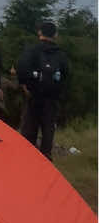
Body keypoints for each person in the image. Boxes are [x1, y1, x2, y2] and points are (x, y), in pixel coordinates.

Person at [17, 21, 69, 162]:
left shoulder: (31, 51)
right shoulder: (61, 55)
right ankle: (46, 162)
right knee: (48, 132)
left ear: (39, 33)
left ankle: (26, 162)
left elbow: (21, 70)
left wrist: (25, 87)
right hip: (51, 100)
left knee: (28, 132)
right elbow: (66, 76)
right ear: (56, 35)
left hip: (33, 97)